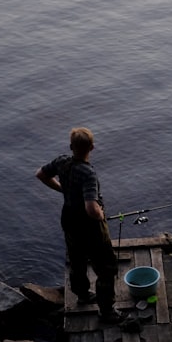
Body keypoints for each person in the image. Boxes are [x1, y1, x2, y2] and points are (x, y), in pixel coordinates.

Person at [36, 127, 123, 323]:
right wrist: (100, 215)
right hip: (89, 226)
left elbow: (40, 174)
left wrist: (63, 189)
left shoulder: (61, 162)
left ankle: (82, 294)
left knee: (77, 258)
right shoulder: (88, 173)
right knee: (106, 267)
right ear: (91, 147)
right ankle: (106, 311)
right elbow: (91, 208)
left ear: (71, 146)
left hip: (68, 218)